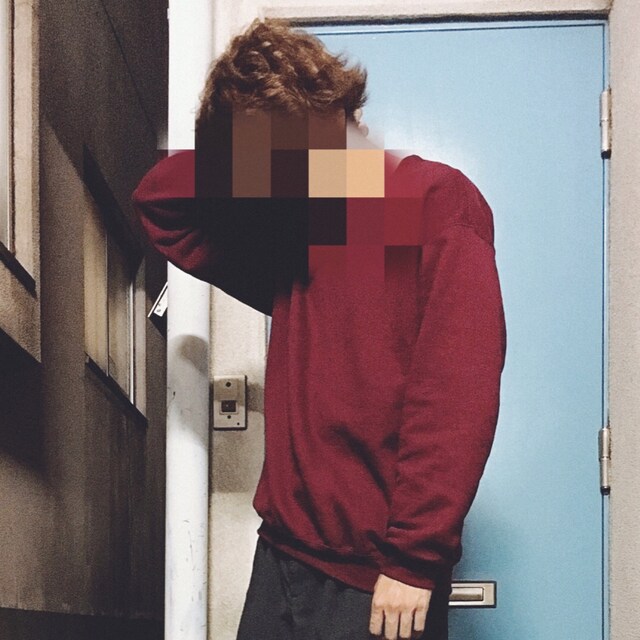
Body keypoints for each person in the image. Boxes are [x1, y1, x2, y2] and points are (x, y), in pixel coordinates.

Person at [131, 17, 507, 640]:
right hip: (281, 558)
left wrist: (414, 560)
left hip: (379, 578)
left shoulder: (434, 200)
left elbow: (456, 393)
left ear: (332, 118)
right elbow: (160, 203)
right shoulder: (298, 228)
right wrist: (281, 168)